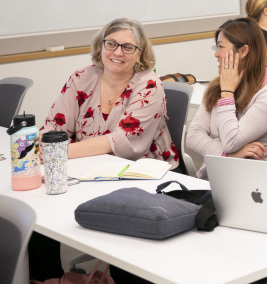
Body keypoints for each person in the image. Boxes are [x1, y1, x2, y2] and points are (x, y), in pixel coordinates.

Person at [30, 18, 178, 284]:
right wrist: (45, 143)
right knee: (37, 219)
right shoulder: (81, 78)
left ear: (140, 54)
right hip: (88, 170)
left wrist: (59, 152)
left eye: (128, 47)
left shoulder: (149, 84)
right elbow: (54, 125)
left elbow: (120, 142)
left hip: (144, 177)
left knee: (125, 254)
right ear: (100, 46)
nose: (117, 52)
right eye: (111, 44)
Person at [186, 18, 267, 179]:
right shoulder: (216, 86)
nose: (216, 54)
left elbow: (230, 141)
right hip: (213, 179)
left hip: (251, 187)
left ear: (243, 51)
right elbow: (193, 136)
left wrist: (227, 92)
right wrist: (229, 156)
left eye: (220, 47)